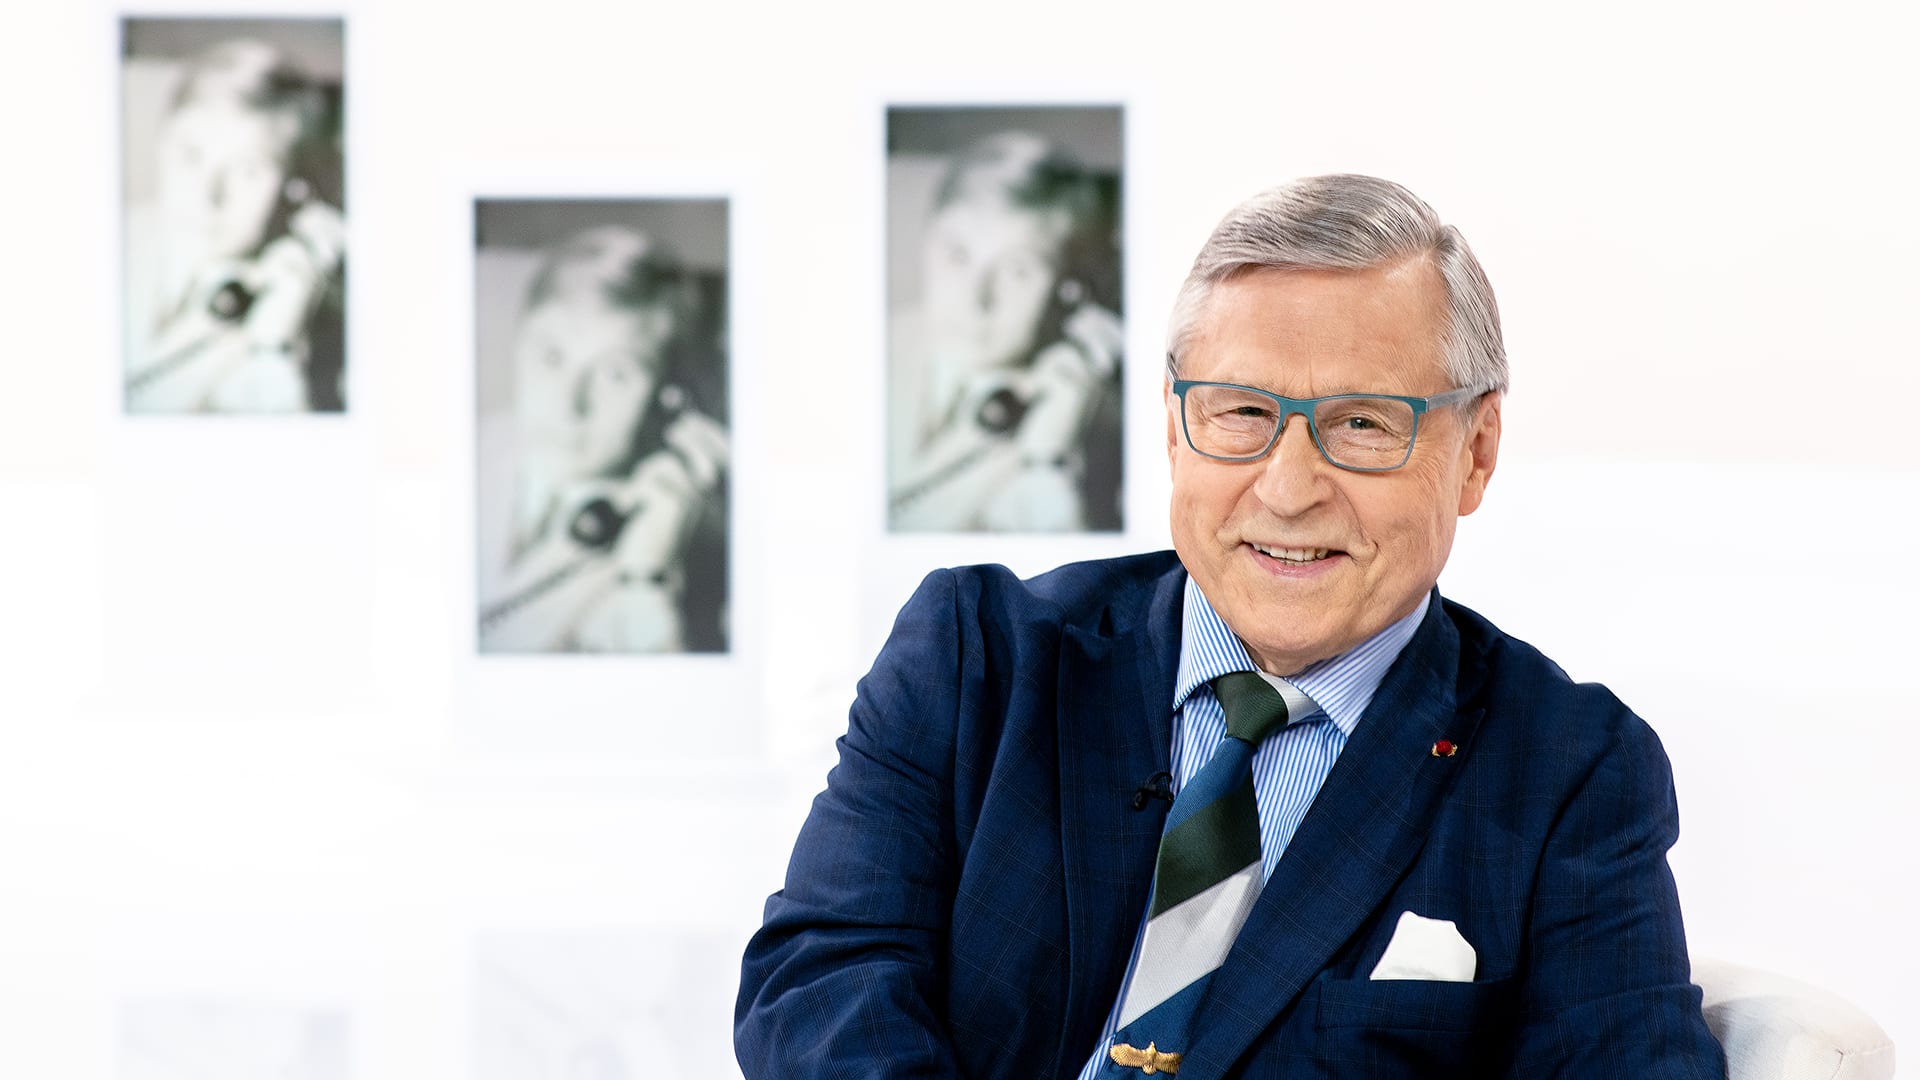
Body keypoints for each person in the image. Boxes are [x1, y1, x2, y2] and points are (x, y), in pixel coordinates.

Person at [738, 175, 1726, 1076]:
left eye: (1363, 423)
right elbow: (822, 980)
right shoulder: (978, 658)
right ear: (1175, 430)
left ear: (1476, 452)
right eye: (1242, 413)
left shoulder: (1568, 772)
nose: (1288, 490)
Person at [476, 226, 728, 654]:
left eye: (614, 374)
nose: (568, 404)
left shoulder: (672, 538)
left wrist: (644, 579)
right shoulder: (460, 456)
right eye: (551, 356)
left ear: (668, 397)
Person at [887, 131, 1124, 532]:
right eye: (957, 254)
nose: (974, 299)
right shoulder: (871, 348)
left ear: (1069, 290)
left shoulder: (1085, 423)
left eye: (1017, 270)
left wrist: (1047, 465)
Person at [124, 38, 346, 413]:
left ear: (294, 188)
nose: (207, 195)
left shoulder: (297, 310)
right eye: (191, 155)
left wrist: (273, 349)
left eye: (246, 170)